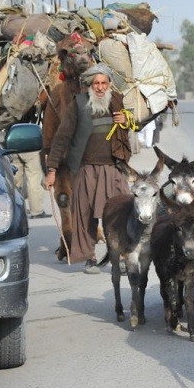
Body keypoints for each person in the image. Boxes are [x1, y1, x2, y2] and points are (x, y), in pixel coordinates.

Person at [43, 63, 132, 274]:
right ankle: (89, 258)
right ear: (89, 86)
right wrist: (53, 170)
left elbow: (131, 127)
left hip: (114, 168)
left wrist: (126, 120)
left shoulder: (117, 101)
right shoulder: (79, 104)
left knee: (121, 212)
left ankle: (122, 255)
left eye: (103, 83)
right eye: (96, 83)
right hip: (85, 168)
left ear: (109, 84)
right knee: (84, 215)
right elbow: (62, 138)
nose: (100, 87)